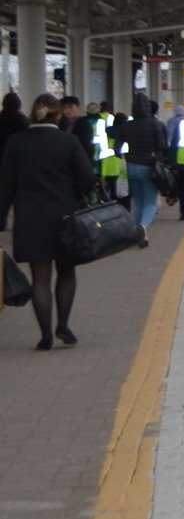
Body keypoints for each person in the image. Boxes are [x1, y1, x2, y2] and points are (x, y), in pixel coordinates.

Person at [0, 93, 97, 349]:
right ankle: (63, 325)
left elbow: (6, 185)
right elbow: (87, 178)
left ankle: (45, 336)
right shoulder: (69, 142)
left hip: (30, 219)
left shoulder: (16, 142)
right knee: (66, 272)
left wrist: (1, 219)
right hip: (66, 218)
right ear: (58, 116)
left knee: (40, 278)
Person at [115, 97, 167, 246]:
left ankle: (137, 234)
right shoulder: (155, 125)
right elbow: (162, 147)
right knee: (150, 202)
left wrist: (126, 156)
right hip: (149, 166)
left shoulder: (126, 126)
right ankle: (142, 227)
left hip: (130, 166)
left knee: (137, 201)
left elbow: (117, 150)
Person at [0, 91, 25, 228]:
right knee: (18, 196)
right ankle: (19, 222)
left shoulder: (1, 119)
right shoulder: (22, 121)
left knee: (3, 196)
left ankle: (1, 222)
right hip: (18, 163)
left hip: (2, 162)